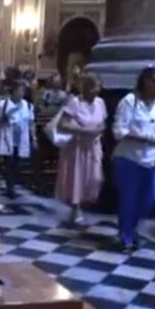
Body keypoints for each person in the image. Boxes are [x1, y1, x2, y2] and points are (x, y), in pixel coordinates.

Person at [111, 66, 155, 252]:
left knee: (153, 198)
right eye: (153, 80)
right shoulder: (130, 102)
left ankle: (131, 226)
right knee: (128, 199)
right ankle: (126, 236)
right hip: (129, 159)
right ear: (144, 82)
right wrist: (144, 138)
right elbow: (118, 131)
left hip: (152, 160)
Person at [54, 72, 107, 225]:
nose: (96, 90)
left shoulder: (100, 103)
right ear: (86, 88)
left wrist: (99, 130)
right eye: (93, 87)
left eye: (98, 87)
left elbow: (103, 122)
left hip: (93, 146)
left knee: (95, 178)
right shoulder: (75, 103)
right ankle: (76, 209)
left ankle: (82, 205)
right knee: (76, 178)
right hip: (76, 148)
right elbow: (62, 124)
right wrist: (83, 131)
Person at [0, 79, 36, 198]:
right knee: (9, 162)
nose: (22, 93)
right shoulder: (5, 104)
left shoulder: (27, 105)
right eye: (20, 90)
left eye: (23, 90)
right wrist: (5, 115)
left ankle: (13, 184)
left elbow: (31, 123)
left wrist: (34, 137)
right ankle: (10, 187)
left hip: (21, 138)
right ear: (14, 91)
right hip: (8, 137)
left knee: (18, 163)